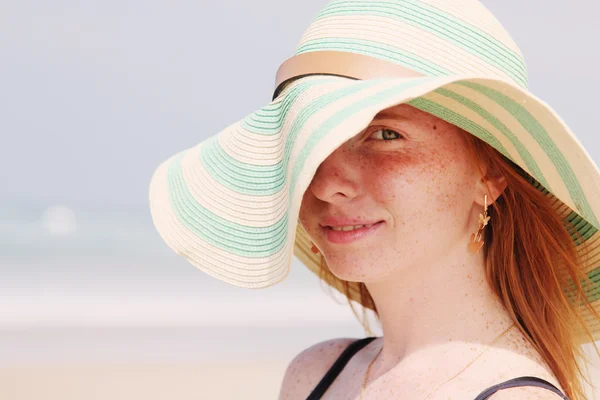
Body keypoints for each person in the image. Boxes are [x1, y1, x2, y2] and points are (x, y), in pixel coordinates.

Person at [148, 0, 600, 399]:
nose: (326, 184)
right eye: (313, 141)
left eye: (386, 134)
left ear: (491, 173)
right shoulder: (314, 375)